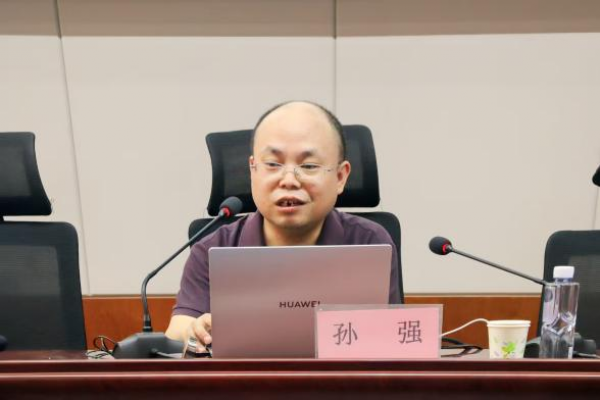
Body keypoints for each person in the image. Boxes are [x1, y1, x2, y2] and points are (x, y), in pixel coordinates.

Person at [165, 100, 400, 346]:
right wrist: (195, 329)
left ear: (341, 177)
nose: (289, 180)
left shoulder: (370, 243)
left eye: (308, 166)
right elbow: (178, 329)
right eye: (273, 164)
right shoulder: (213, 249)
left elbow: (390, 335)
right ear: (253, 170)